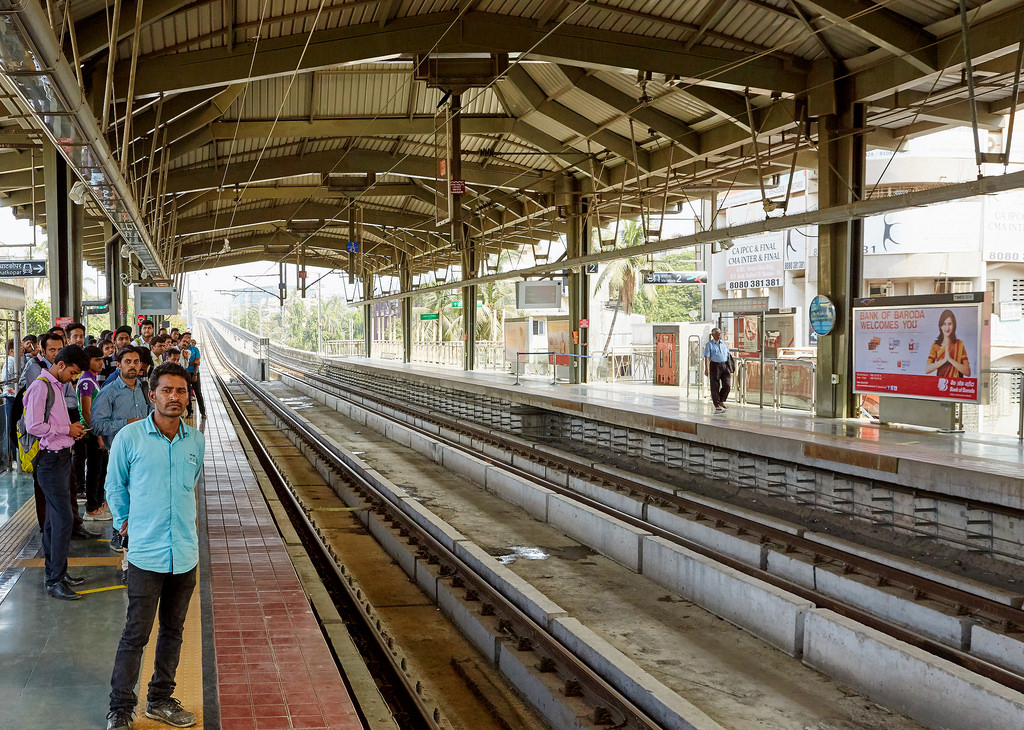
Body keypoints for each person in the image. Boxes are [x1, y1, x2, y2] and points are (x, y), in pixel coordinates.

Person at [105, 363, 204, 730]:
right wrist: (123, 521)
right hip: (146, 553)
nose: (174, 397)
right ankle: (120, 706)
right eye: (167, 390)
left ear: (187, 397)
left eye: (181, 391)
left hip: (185, 554)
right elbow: (114, 485)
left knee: (173, 631)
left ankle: (160, 699)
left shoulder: (195, 440)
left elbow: (189, 484)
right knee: (136, 632)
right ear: (153, 395)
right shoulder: (130, 438)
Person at [25, 345, 91, 600]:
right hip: (49, 462)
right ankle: (55, 579)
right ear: (61, 365)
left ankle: (57, 573)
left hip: (62, 459)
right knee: (64, 520)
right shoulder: (41, 386)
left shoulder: (56, 387)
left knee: (55, 520)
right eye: (73, 372)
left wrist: (70, 427)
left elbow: (53, 421)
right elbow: (34, 425)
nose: (73, 378)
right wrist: (66, 431)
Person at [78, 346, 111, 522]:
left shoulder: (92, 380)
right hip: (91, 434)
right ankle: (91, 508)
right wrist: (99, 435)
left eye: (101, 360)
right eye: (96, 360)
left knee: (101, 469)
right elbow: (86, 412)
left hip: (97, 432)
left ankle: (98, 502)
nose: (100, 363)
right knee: (94, 470)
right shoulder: (86, 382)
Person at [925, 309, 971, 378]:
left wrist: (950, 360)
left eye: (949, 324)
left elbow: (967, 372)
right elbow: (927, 369)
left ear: (953, 325)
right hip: (941, 384)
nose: (947, 328)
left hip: (955, 385)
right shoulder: (936, 345)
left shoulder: (959, 344)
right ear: (940, 326)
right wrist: (944, 360)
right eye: (944, 324)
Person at [703, 327, 732, 414]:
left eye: (720, 333)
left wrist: (730, 366)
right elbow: (707, 357)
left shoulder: (724, 343)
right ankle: (717, 404)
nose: (719, 335)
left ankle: (721, 400)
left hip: (725, 365)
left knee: (727, 385)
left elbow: (728, 355)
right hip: (715, 365)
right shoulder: (709, 344)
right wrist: (706, 369)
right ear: (713, 335)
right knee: (715, 385)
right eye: (717, 333)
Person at [181, 333, 206, 419]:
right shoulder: (181, 350)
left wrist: (195, 374)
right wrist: (192, 363)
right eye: (185, 340)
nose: (186, 342)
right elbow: (192, 362)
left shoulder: (195, 349)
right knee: (187, 393)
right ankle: (189, 411)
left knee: (198, 392)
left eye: (188, 339)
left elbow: (197, 362)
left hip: (194, 372)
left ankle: (203, 412)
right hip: (185, 373)